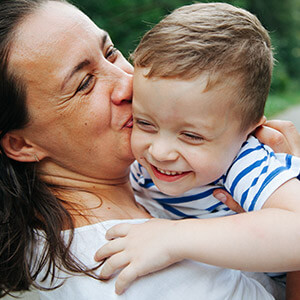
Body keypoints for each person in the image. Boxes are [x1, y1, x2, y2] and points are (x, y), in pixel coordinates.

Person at [0, 0, 282, 299]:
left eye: (110, 52)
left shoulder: (146, 178)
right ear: (22, 144)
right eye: (84, 83)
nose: (127, 82)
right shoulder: (123, 269)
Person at [94, 2, 300, 297]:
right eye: (145, 123)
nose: (160, 152)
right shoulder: (138, 161)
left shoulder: (243, 163)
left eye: (191, 135)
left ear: (249, 131)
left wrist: (176, 237)